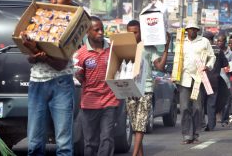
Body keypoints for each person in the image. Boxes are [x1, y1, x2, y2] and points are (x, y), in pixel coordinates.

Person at [21, 0, 75, 155]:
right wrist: (33, 53)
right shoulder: (39, 19)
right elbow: (30, 59)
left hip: (61, 84)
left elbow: (61, 64)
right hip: (36, 83)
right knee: (35, 143)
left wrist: (37, 50)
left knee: (63, 144)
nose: (53, 0)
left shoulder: (74, 24)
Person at [73, 16, 119, 156]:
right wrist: (77, 76)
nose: (100, 32)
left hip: (110, 100)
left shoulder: (112, 49)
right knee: (90, 142)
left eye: (102, 29)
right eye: (96, 30)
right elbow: (78, 78)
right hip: (89, 103)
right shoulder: (81, 54)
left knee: (107, 138)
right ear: (87, 32)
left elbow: (121, 68)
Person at [126, 20, 170, 156]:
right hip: (130, 89)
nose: (133, 35)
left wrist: (166, 48)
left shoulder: (149, 47)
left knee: (141, 123)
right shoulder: (124, 46)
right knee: (135, 125)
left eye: (136, 32)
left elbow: (160, 67)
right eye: (130, 32)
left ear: (141, 32)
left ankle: (134, 154)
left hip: (146, 89)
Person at [178, 20, 215, 144]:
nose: (192, 31)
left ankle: (195, 133)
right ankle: (186, 135)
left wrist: (207, 66)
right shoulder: (181, 42)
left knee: (198, 108)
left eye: (194, 29)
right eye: (190, 29)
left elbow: (212, 56)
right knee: (184, 108)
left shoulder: (204, 41)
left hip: (198, 79)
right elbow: (177, 59)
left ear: (197, 30)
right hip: (184, 78)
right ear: (187, 30)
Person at [203, 32, 229, 131]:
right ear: (213, 39)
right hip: (214, 80)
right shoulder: (218, 50)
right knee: (211, 103)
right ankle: (211, 124)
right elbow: (225, 64)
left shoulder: (200, 49)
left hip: (201, 80)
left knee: (200, 103)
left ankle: (200, 123)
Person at [217, 34, 232, 127]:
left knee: (227, 101)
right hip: (215, 80)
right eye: (218, 41)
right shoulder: (214, 51)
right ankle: (217, 117)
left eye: (221, 41)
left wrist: (229, 68)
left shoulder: (230, 53)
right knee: (216, 100)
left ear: (225, 42)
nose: (219, 43)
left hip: (226, 80)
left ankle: (225, 118)